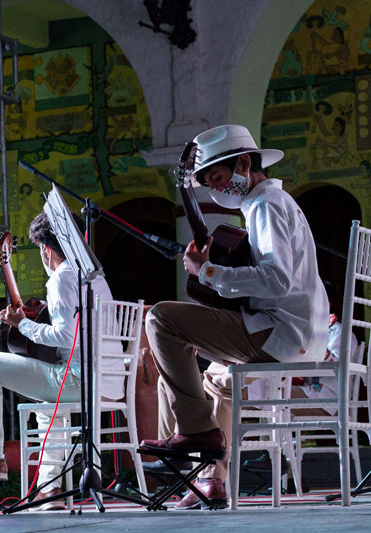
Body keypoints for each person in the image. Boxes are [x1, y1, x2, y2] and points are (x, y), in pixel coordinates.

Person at [140, 124, 329, 510]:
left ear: (245, 163)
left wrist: (207, 272)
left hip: (280, 332)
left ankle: (194, 432)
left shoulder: (265, 205)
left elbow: (277, 281)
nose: (216, 189)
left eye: (218, 178)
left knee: (160, 319)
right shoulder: (274, 203)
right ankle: (212, 481)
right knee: (214, 382)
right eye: (209, 182)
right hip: (301, 334)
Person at [0, 212, 125, 511]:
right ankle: (48, 489)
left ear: (45, 248)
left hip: (80, 382)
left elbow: (66, 337)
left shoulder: (62, 277)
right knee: (45, 406)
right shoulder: (95, 276)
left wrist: (21, 324)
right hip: (110, 383)